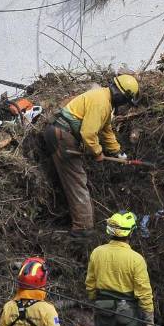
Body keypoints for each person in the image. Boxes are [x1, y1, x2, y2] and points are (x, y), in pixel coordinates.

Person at [41, 74, 140, 235]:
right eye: (126, 102)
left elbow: (106, 130)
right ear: (120, 95)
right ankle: (83, 228)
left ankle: (80, 223)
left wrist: (118, 152)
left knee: (73, 179)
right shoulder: (101, 102)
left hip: (61, 133)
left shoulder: (104, 100)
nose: (125, 106)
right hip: (62, 135)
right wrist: (98, 153)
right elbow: (88, 133)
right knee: (77, 180)